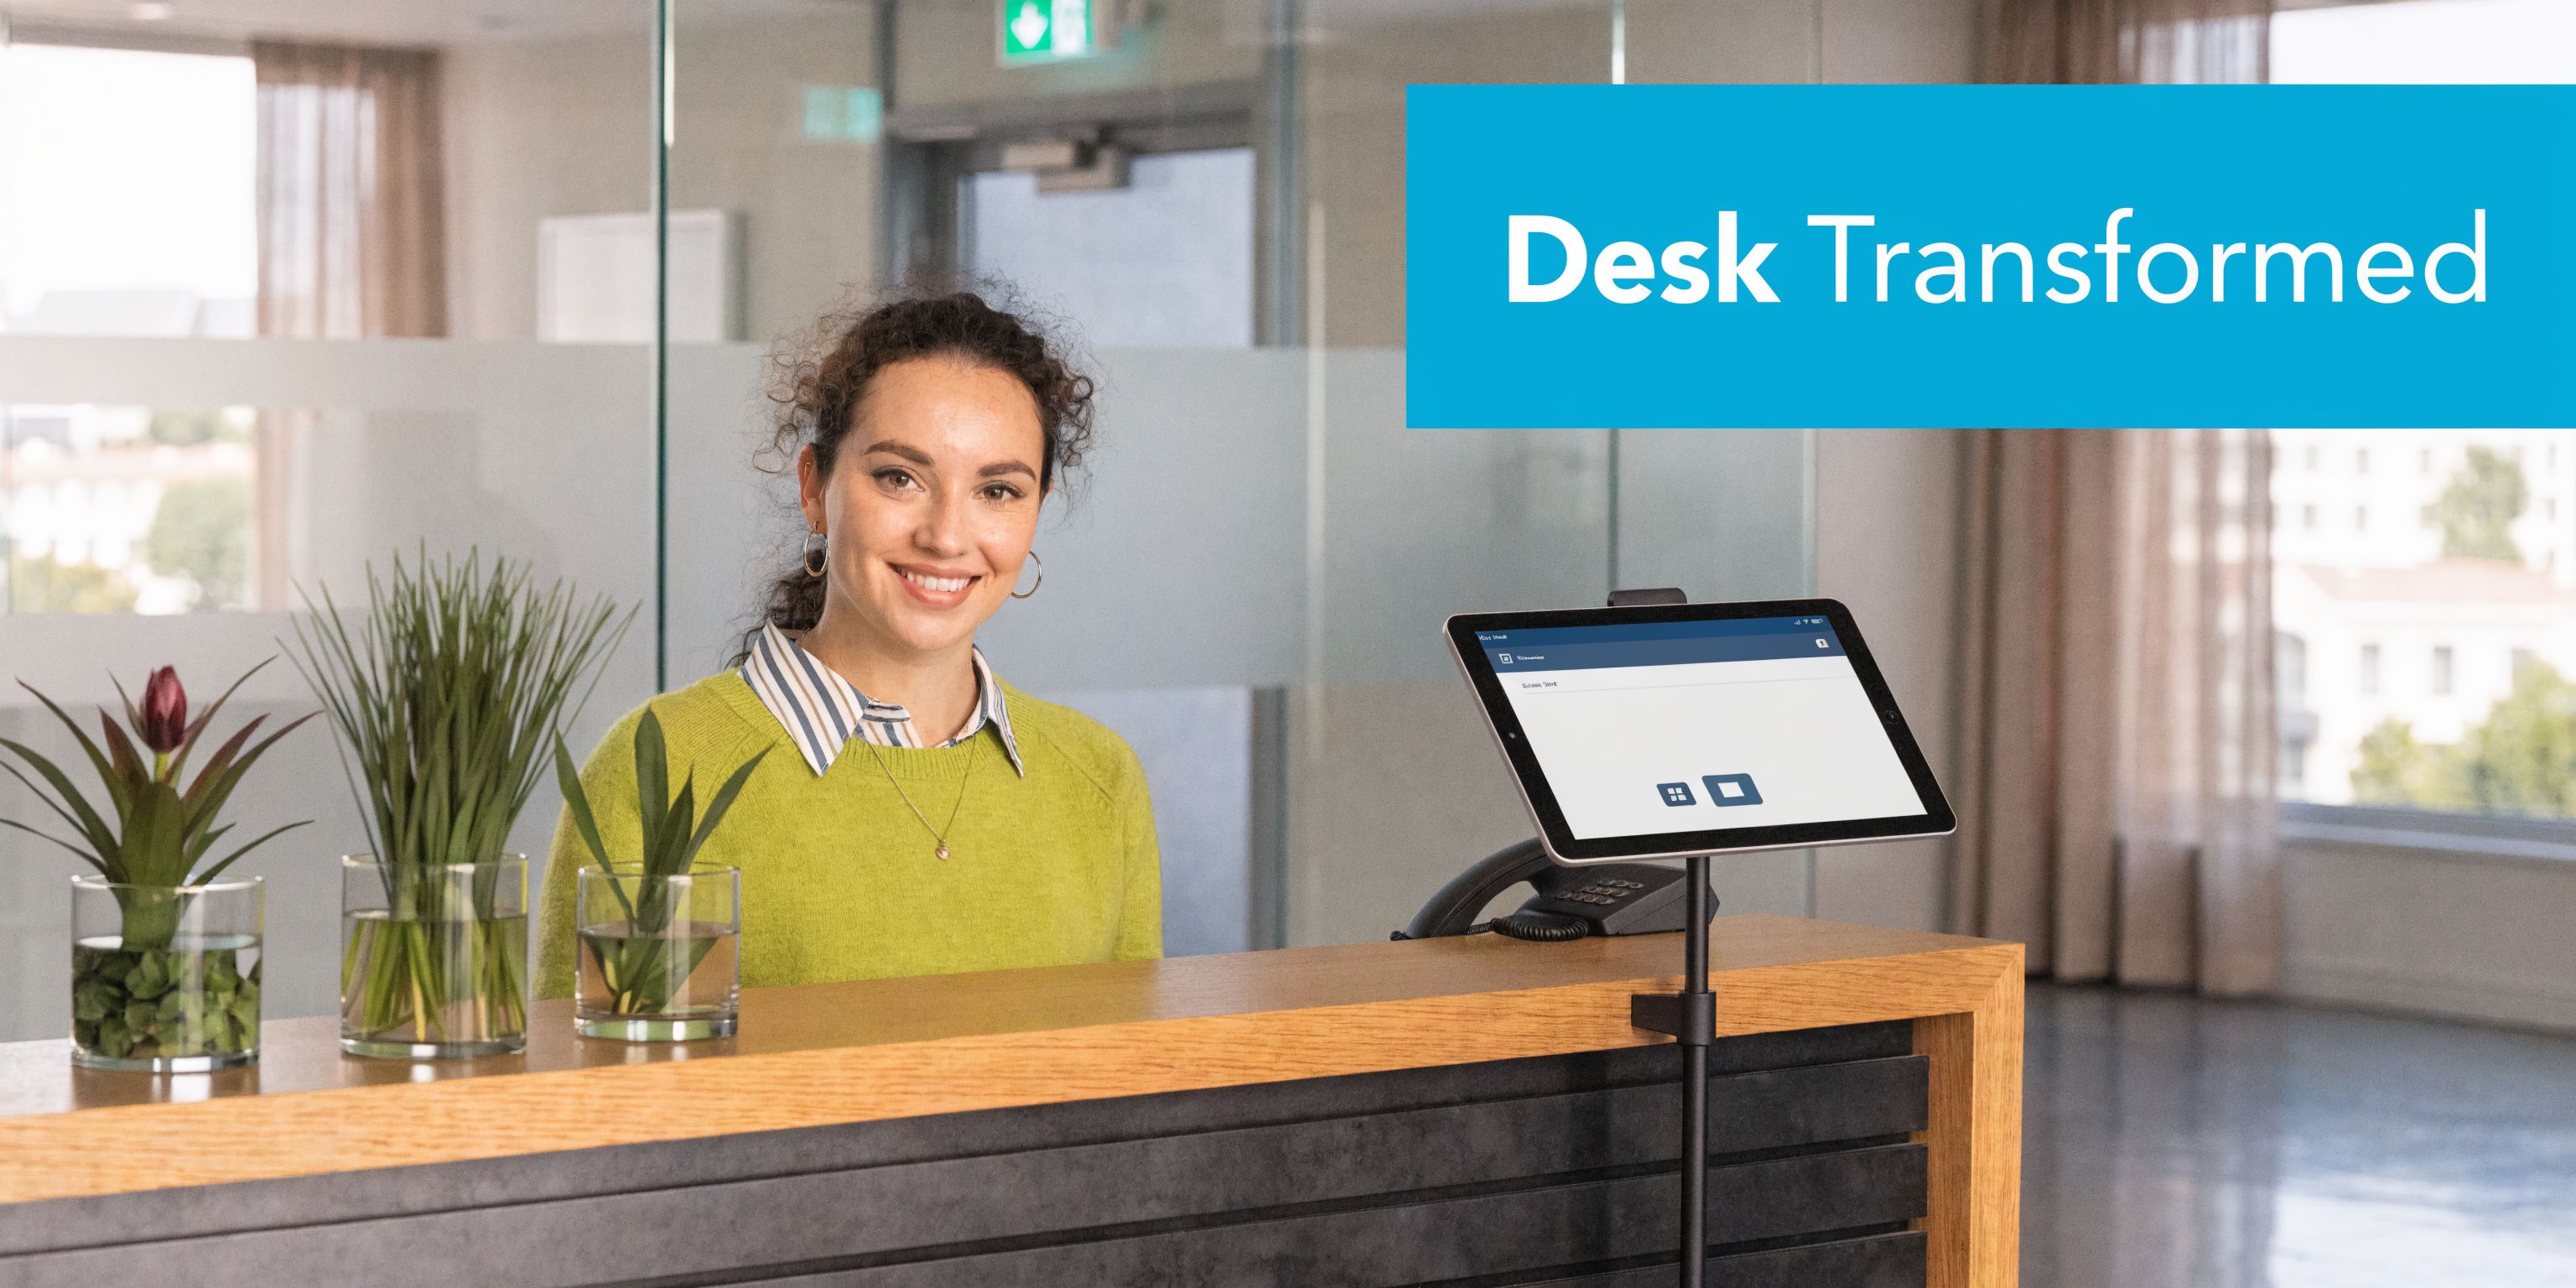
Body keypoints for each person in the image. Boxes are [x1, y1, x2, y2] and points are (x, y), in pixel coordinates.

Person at [535, 289, 1161, 999]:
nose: (947, 536)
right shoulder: (662, 764)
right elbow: (588, 1090)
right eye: (900, 478)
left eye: (998, 491)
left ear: (1036, 512)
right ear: (815, 487)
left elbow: (1129, 1094)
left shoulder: (1100, 780)